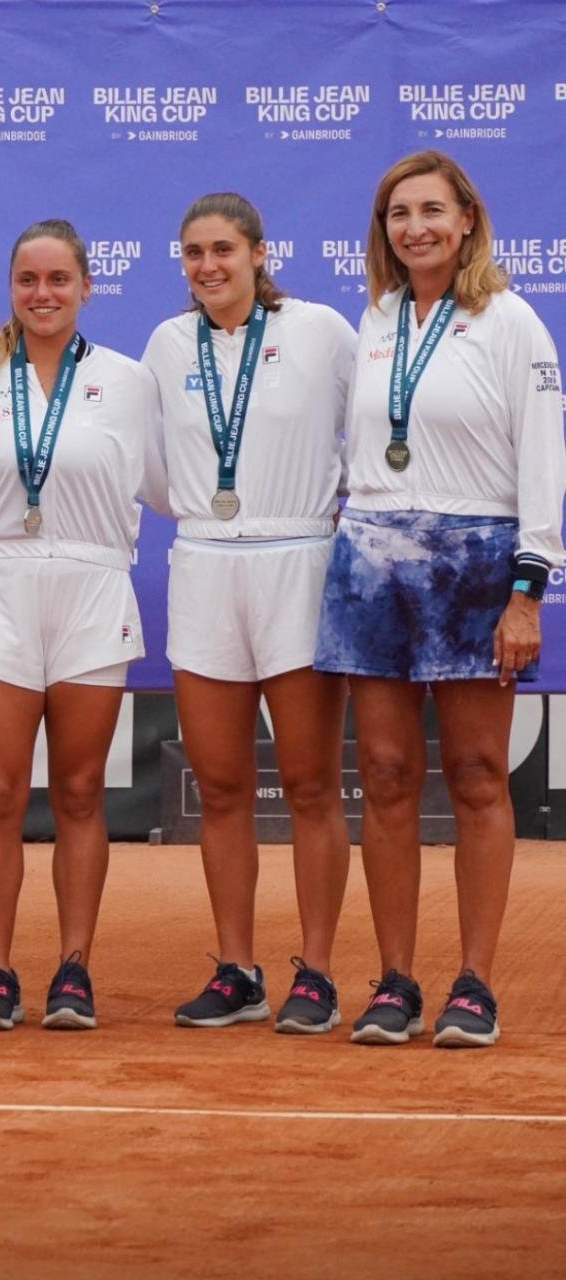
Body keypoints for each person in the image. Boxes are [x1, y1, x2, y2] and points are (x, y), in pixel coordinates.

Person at [314, 150, 566, 1048]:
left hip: (473, 566)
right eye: (396, 214)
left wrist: (527, 594)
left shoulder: (510, 321)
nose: (413, 227)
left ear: (466, 219)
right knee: (383, 776)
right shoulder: (377, 317)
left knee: (475, 776)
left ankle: (474, 984)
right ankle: (393, 982)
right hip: (372, 563)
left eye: (429, 210)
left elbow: (544, 463)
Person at [0, 218, 168, 1031]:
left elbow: (173, 486)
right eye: (27, 280)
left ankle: (74, 969)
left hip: (92, 582)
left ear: (86, 287)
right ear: (9, 288)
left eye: (58, 280)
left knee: (79, 791)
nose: (42, 294)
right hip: (0, 580)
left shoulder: (129, 378)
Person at [142, 193, 355, 1034]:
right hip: (202, 564)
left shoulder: (321, 332)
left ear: (260, 253)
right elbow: (152, 471)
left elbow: (368, 433)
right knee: (222, 787)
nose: (207, 266)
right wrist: (206, 513)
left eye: (223, 249)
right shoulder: (165, 344)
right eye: (192, 252)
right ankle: (236, 970)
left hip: (298, 562)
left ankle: (318, 972)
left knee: (307, 784)